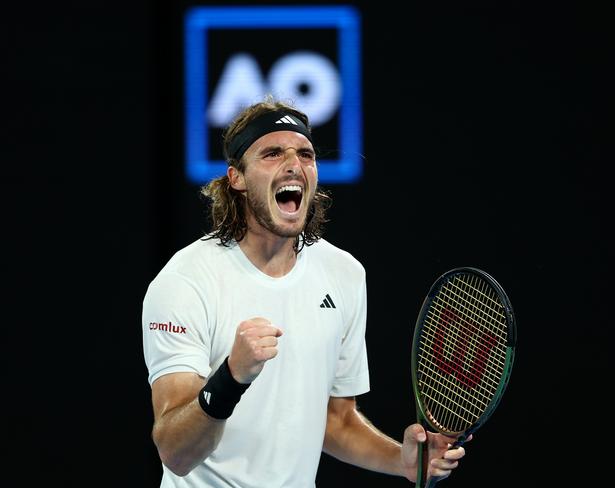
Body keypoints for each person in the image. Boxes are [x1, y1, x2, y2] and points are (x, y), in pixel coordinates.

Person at [142, 96, 469, 487]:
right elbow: (176, 453)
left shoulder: (343, 273)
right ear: (237, 179)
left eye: (305, 154)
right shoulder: (185, 281)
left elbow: (335, 419)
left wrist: (402, 460)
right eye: (272, 153)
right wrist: (230, 378)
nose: (294, 165)